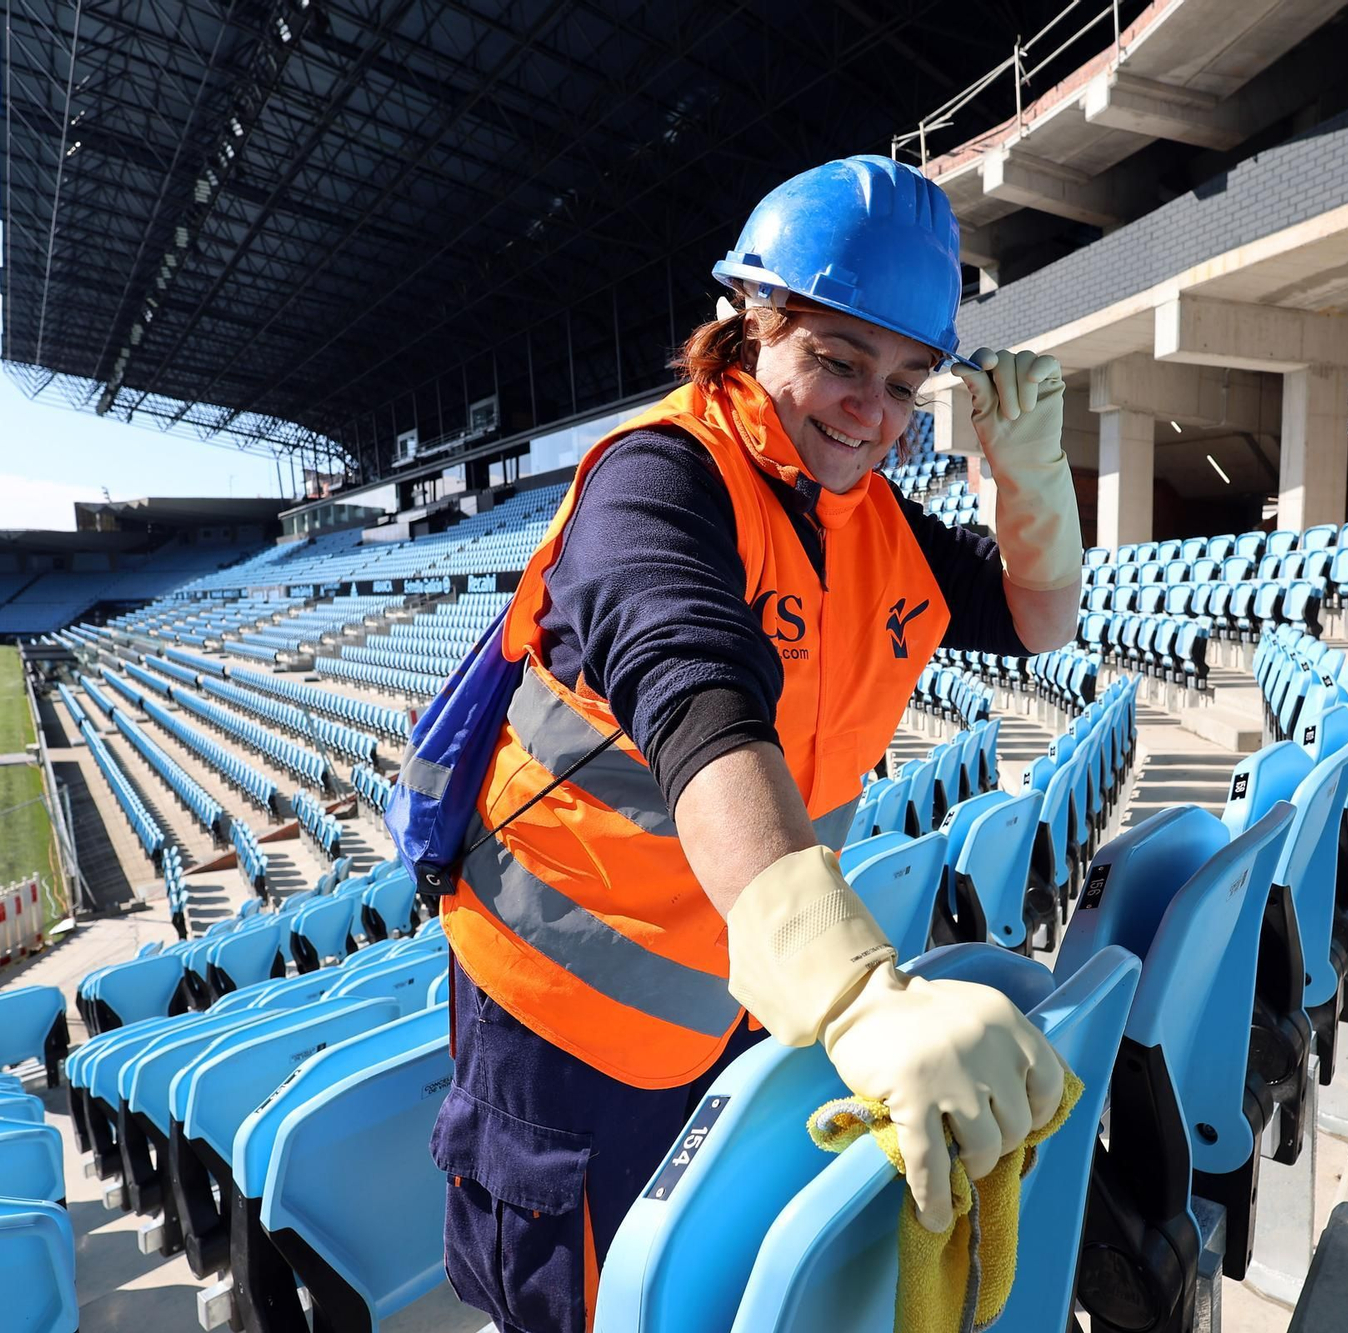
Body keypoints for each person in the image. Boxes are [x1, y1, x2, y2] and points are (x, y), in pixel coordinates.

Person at [428, 154, 1082, 1333]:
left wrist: (1027, 479)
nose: (869, 412)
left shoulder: (875, 520)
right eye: (835, 359)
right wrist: (853, 994)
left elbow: (1040, 619)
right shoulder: (657, 479)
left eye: (903, 380)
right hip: (566, 1014)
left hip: (743, 999)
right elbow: (697, 703)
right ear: (746, 325)